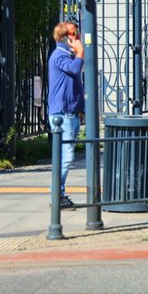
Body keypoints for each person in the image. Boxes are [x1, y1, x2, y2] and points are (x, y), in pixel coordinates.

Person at [48, 21, 84, 210]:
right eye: (74, 34)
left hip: (70, 114)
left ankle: (58, 195)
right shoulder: (59, 56)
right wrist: (80, 53)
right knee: (66, 157)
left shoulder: (66, 55)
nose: (77, 36)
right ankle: (57, 196)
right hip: (62, 115)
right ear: (64, 38)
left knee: (64, 156)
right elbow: (74, 69)